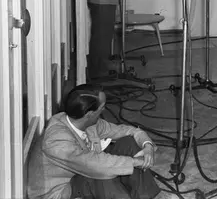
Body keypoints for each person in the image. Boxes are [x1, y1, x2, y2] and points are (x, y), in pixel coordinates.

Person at [27, 84, 161, 199]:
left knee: (128, 143)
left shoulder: (86, 122)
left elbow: (128, 131)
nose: (104, 110)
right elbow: (95, 165)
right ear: (89, 114)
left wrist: (147, 146)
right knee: (101, 174)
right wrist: (135, 162)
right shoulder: (56, 140)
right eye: (102, 107)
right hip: (59, 192)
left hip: (79, 174)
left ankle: (146, 196)